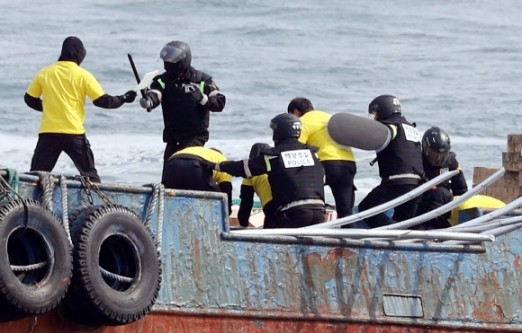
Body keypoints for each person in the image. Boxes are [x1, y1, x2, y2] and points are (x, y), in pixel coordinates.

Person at [24, 36, 137, 183]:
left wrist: (49, 108)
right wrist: (123, 98)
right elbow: (102, 101)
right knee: (91, 177)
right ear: (79, 54)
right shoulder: (83, 75)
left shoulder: (44, 73)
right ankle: (99, 205)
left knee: (35, 177)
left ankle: (28, 204)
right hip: (74, 134)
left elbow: (29, 99)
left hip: (49, 134)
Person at [202, 113, 325, 229]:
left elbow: (242, 167)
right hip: (319, 213)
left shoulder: (273, 157)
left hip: (292, 213)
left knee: (270, 239)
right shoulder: (313, 154)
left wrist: (215, 166)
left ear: (279, 132)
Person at [139, 40, 226, 177]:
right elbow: (156, 93)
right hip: (173, 137)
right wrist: (149, 100)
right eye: (166, 60)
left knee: (187, 168)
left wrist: (202, 98)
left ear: (183, 59)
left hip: (195, 137)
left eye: (172, 60)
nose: (168, 63)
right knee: (168, 174)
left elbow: (220, 102)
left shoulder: (202, 80)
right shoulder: (162, 80)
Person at [357, 95, 424, 228]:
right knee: (402, 221)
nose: (375, 119)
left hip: (397, 182)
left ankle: (390, 231)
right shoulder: (410, 128)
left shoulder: (389, 127)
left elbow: (374, 138)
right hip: (417, 184)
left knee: (366, 208)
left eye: (375, 114)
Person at [287, 97, 357, 220]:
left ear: (296, 112)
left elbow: (295, 149)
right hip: (349, 164)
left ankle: (313, 225)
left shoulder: (301, 122)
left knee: (312, 204)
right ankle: (352, 235)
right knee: (346, 213)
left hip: (326, 165)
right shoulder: (329, 117)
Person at [413, 126, 468, 229]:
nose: (438, 157)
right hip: (420, 211)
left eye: (442, 154)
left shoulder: (451, 163)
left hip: (444, 212)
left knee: (441, 193)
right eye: (434, 153)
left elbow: (461, 191)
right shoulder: (416, 163)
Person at [162, 146, 232, 214]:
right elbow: (226, 189)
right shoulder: (223, 161)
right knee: (215, 200)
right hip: (196, 165)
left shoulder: (200, 151)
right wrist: (227, 211)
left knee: (169, 199)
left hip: (173, 163)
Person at [237, 143, 276, 228]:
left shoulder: (251, 172)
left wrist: (243, 224)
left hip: (272, 209)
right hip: (291, 204)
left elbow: (246, 202)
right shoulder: (278, 166)